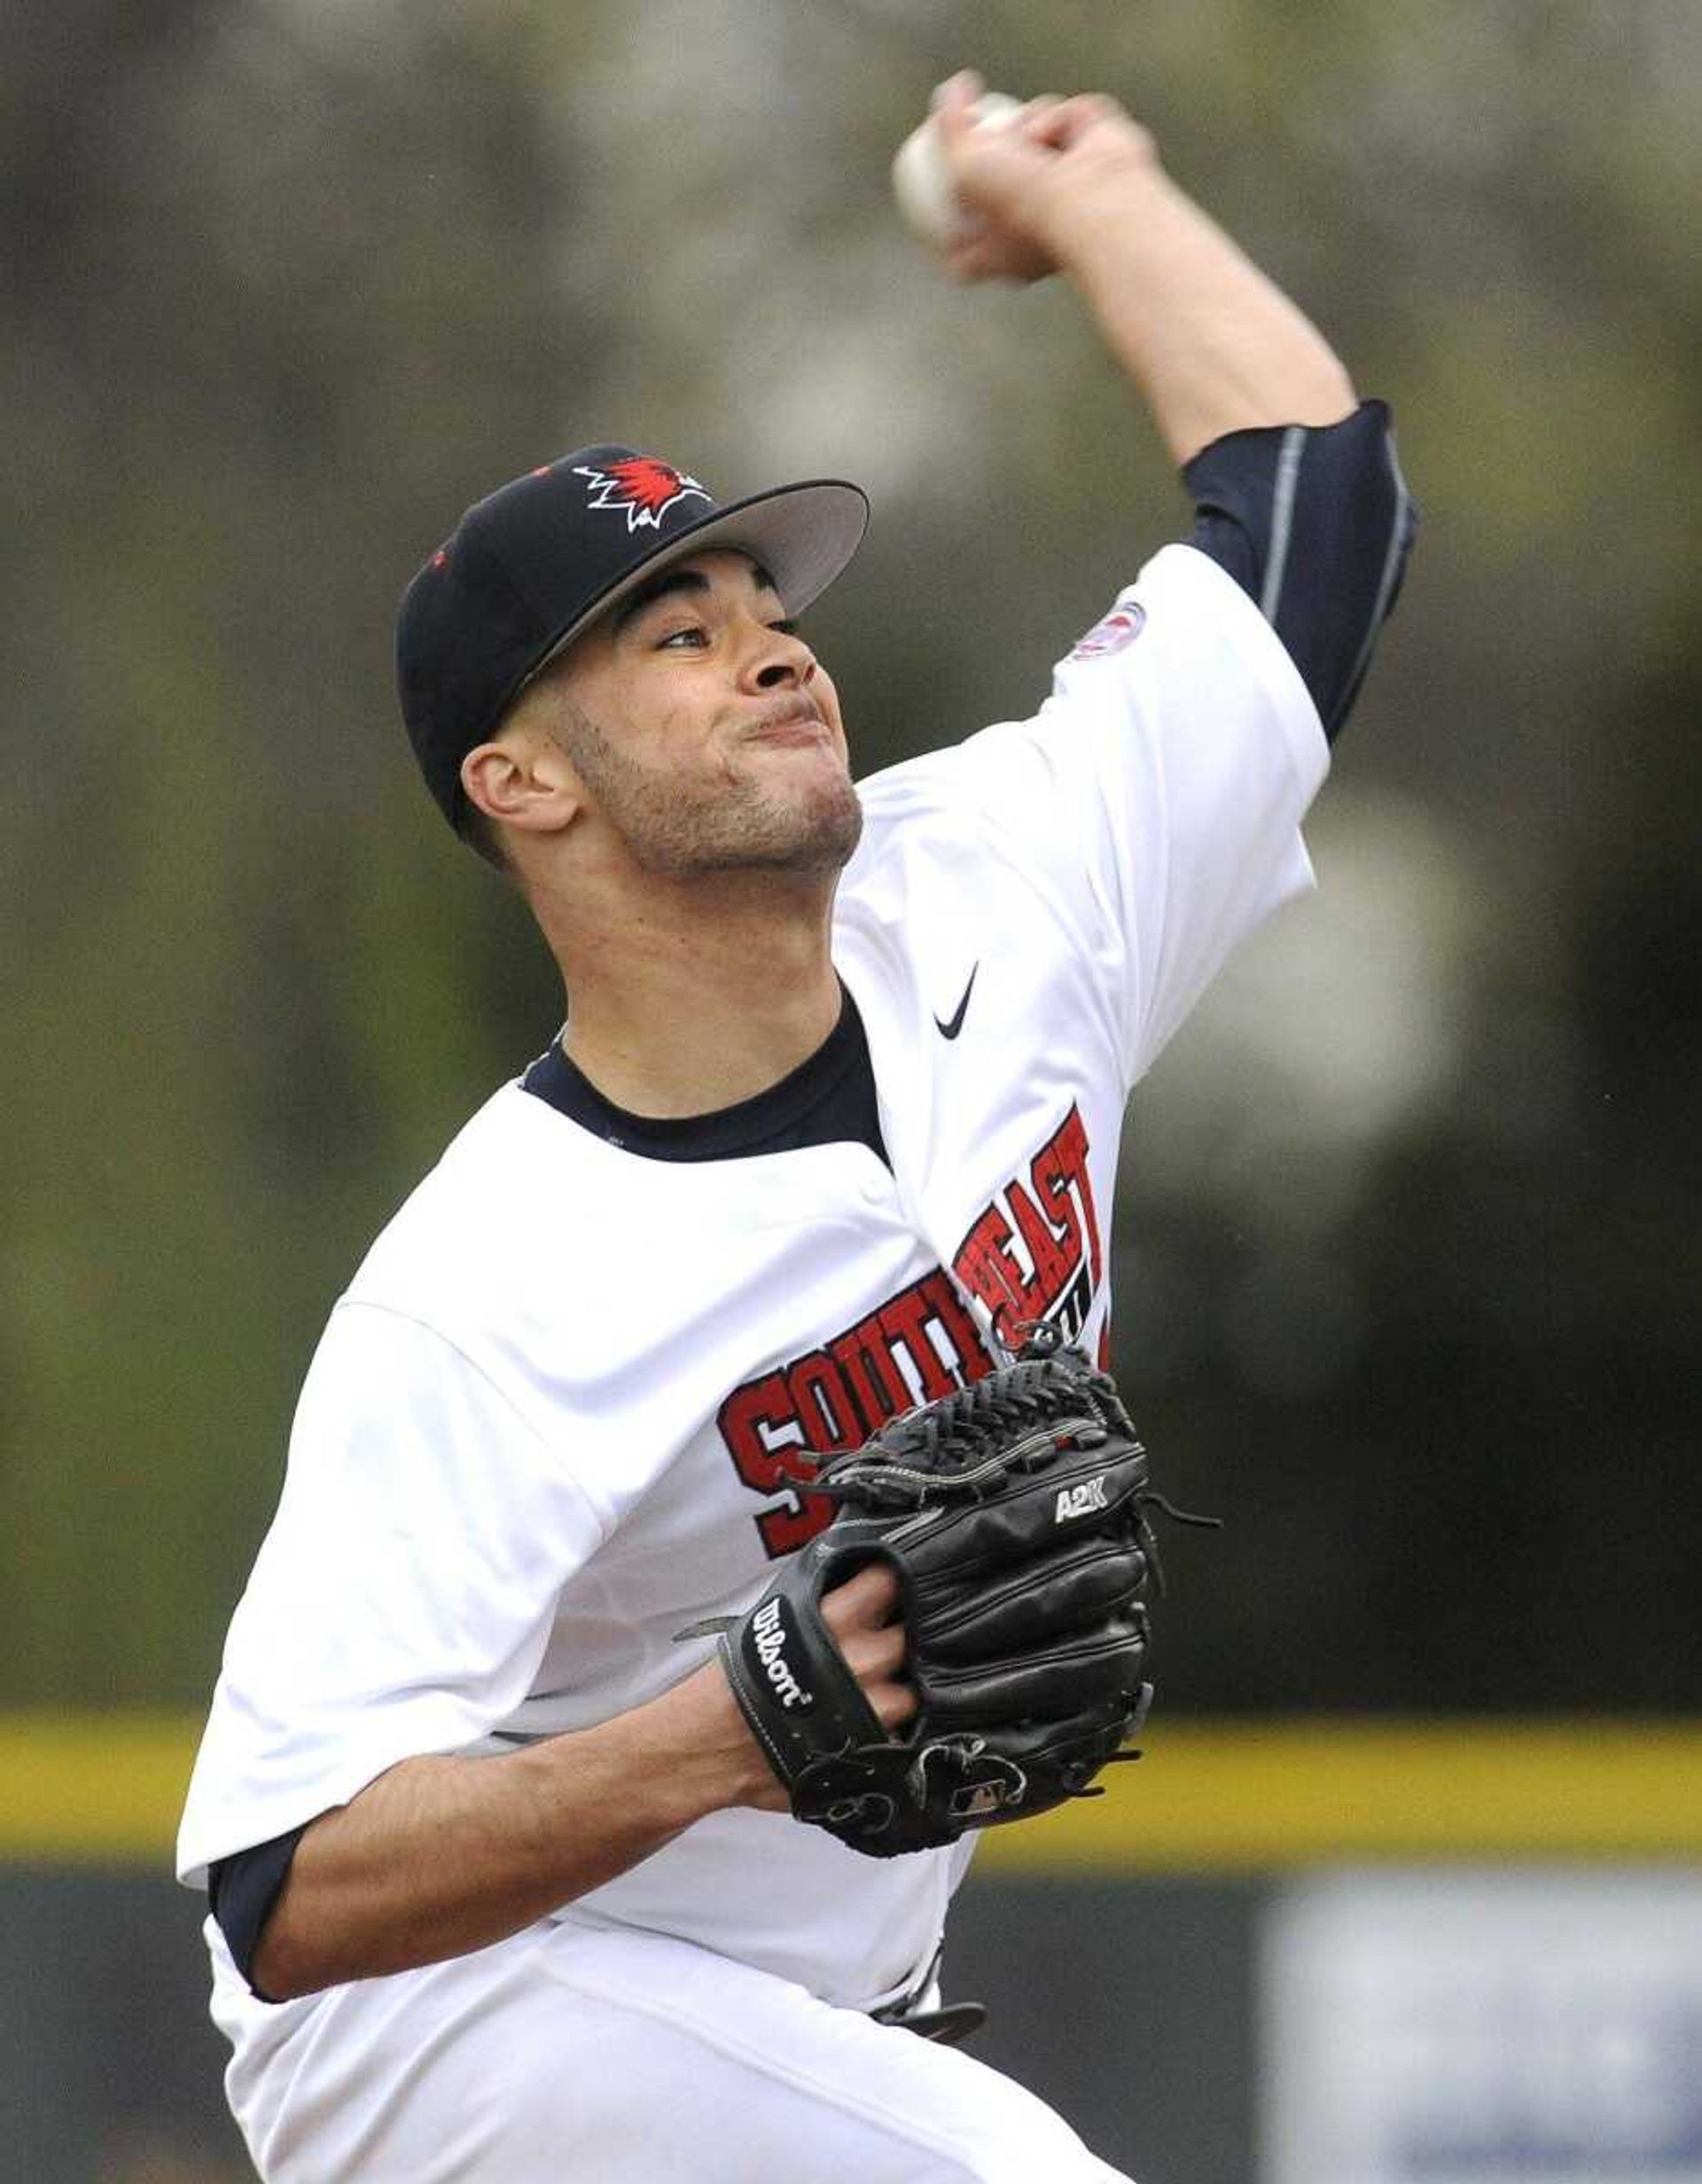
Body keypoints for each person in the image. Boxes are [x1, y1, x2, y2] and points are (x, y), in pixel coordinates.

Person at [177, 71, 1414, 2183]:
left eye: (770, 609)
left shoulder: (1008, 883)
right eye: (678, 636)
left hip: (786, 2020)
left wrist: (1103, 201)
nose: (773, 653)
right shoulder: (483, 1298)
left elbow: (1312, 503)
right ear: (524, 784)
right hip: (452, 2015)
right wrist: (728, 1728)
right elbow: (285, 1885)